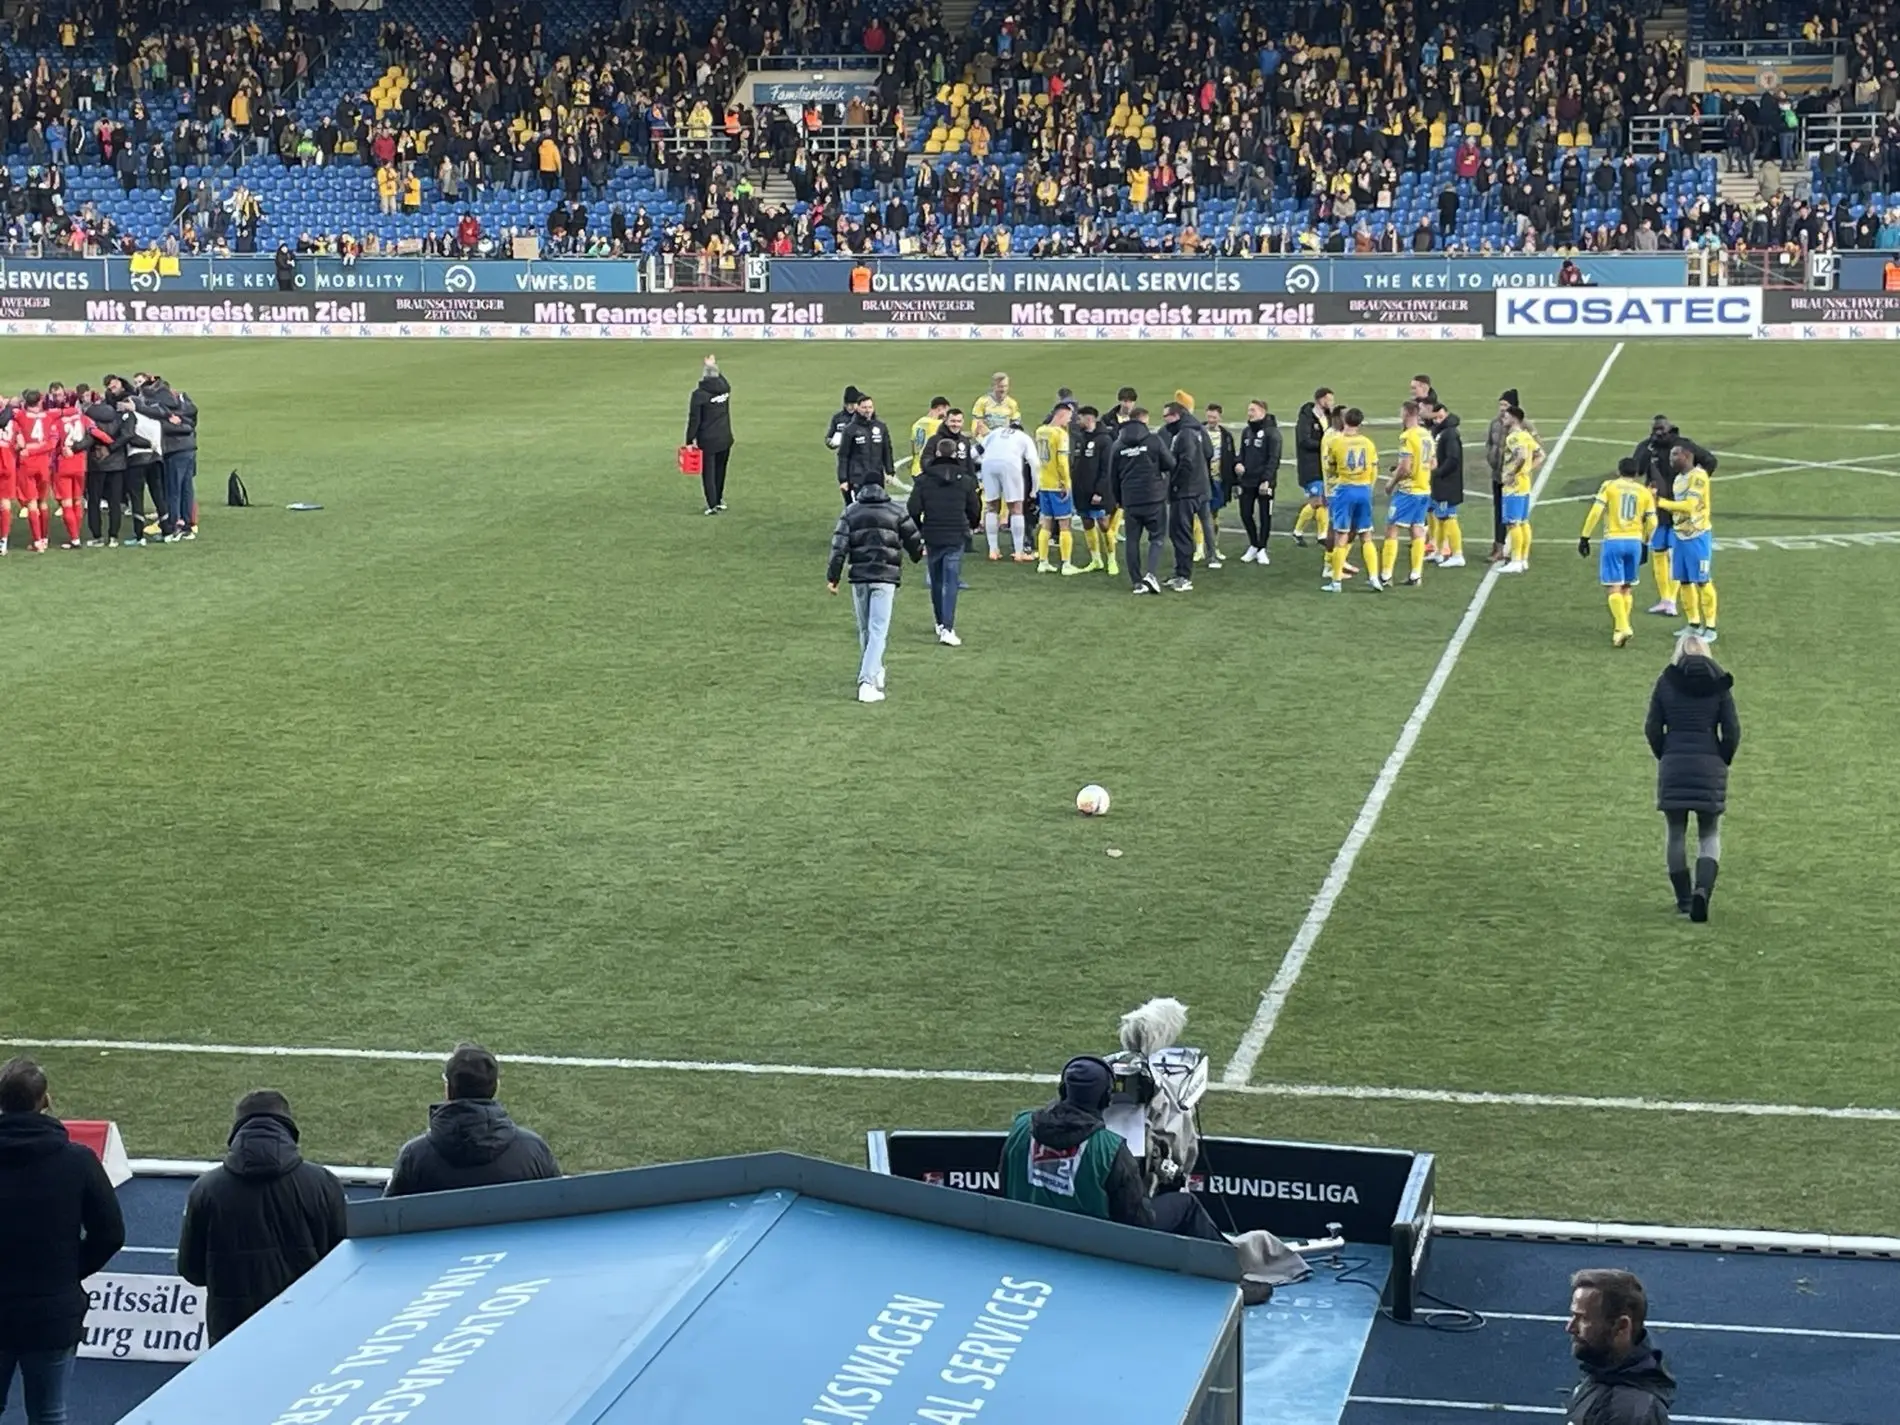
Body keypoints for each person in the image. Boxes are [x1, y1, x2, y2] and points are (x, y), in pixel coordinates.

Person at [0, 1057, 126, 1425]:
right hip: (52, 1312)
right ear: (47, 1100)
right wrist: (69, 1271)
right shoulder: (78, 1161)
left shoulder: (77, 1160)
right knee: (50, 1413)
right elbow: (111, 1233)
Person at [177, 1090, 347, 1344]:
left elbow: (192, 1271)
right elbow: (344, 1263)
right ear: (288, 1128)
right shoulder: (322, 1182)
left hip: (232, 1333)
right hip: (307, 1327)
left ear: (237, 1130)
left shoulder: (206, 1189)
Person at [999, 1056, 1226, 1242]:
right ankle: (1231, 1276)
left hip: (1028, 1233)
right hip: (1095, 1246)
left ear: (1062, 1090)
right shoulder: (1109, 1149)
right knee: (1186, 1206)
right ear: (1105, 1100)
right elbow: (1138, 1222)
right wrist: (1161, 1185)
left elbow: (1005, 1184)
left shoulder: (1021, 1125)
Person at [385, 1044, 561, 1197]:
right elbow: (560, 1208)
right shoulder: (534, 1151)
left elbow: (387, 1219)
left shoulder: (414, 1156)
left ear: (448, 1089)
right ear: (496, 1087)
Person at [1645, 635, 1739, 922]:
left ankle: (1684, 899)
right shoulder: (1719, 685)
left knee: (1676, 832)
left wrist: (1666, 754)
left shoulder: (1666, 682)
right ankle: (1703, 891)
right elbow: (1732, 730)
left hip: (1674, 763)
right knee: (1709, 833)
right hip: (1709, 764)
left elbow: (1652, 727)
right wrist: (1722, 757)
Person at [827, 479, 924, 702]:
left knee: (865, 629)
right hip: (885, 577)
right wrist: (917, 554)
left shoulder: (851, 511)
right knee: (878, 630)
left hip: (859, 577)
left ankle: (874, 669)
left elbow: (838, 546)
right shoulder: (895, 511)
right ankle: (867, 681)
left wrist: (833, 577)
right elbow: (913, 539)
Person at [1565, 1268, 1676, 1423]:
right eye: (1573, 1316)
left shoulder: (1631, 1413)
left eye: (1583, 1318)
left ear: (1621, 1326)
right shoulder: (1601, 1372)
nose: (1570, 1328)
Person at [1633, 418, 1717, 619]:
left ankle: (1674, 600)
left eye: (1661, 429)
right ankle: (1666, 599)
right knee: (1658, 553)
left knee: (1674, 554)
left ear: (1670, 429)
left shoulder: (1683, 445)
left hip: (1681, 513)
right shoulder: (1647, 446)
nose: (1658, 433)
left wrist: (1698, 484)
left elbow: (1710, 461)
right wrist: (1648, 449)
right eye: (1654, 430)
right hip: (1658, 511)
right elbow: (1637, 469)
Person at [908, 437, 982, 646]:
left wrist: (920, 528)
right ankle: (948, 627)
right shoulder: (965, 480)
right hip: (955, 534)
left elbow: (913, 509)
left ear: (938, 454)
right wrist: (971, 524)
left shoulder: (924, 479)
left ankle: (940, 622)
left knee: (936, 580)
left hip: (932, 534)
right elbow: (974, 508)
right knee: (951, 581)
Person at [1579, 458, 1658, 647]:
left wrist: (1585, 536)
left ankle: (1624, 626)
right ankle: (1618, 631)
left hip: (1614, 540)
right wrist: (1645, 542)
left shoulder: (1610, 486)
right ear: (1637, 473)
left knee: (1613, 586)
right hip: (1635, 542)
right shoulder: (1644, 492)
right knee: (1627, 586)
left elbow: (1596, 512)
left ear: (1618, 470)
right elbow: (1653, 521)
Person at [1656, 443, 1718, 642]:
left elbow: (1690, 506)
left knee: (1702, 581)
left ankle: (1710, 627)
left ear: (1687, 456)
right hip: (1680, 535)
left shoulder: (1698, 477)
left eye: (1675, 455)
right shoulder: (1678, 479)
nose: (1671, 459)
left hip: (1697, 535)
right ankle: (1693, 623)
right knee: (1684, 581)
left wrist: (1660, 502)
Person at [1111, 406, 1175, 595]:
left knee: (1132, 540)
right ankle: (1151, 574)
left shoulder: (1118, 445)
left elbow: (1112, 476)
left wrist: (1119, 500)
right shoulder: (1154, 440)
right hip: (1154, 497)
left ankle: (1137, 582)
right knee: (1156, 537)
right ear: (1144, 421)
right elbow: (1170, 463)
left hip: (1130, 499)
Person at [1323, 408, 1382, 593]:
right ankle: (1374, 577)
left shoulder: (1336, 441)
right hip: (1364, 489)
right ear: (1360, 423)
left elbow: (1330, 467)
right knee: (1366, 535)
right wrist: (1368, 487)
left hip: (1344, 490)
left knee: (1342, 536)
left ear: (1344, 421)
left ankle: (1336, 582)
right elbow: (1374, 468)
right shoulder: (1368, 443)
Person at [1382, 399, 1435, 587]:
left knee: (1392, 529)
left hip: (1408, 491)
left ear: (1406, 414)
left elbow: (1405, 468)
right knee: (1417, 530)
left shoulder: (1407, 436)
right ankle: (1415, 575)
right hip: (1424, 489)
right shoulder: (1426, 435)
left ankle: (1386, 575)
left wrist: (1391, 483)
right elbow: (1433, 463)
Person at [1163, 396, 1212, 592]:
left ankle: (1184, 576)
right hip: (1200, 489)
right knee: (1182, 532)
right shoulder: (1198, 429)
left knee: (1180, 533)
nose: (1164, 420)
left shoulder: (1184, 434)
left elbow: (1186, 463)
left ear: (1176, 415)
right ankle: (1180, 572)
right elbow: (1208, 452)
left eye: (1166, 416)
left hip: (1186, 492)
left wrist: (1175, 485)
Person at [977, 416, 1039, 562]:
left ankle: (993, 550)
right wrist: (1034, 489)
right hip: (1011, 465)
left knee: (991, 506)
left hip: (988, 464)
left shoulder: (996, 432)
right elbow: (1034, 463)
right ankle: (1019, 552)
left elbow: (976, 451)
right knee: (1016, 507)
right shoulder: (1024, 437)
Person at [8, 390, 60, 553]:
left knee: (31, 503)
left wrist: (28, 450)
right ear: (40, 401)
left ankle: (37, 541)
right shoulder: (49, 416)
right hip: (44, 464)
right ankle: (44, 538)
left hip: (26, 464)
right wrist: (39, 449)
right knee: (43, 502)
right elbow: (52, 443)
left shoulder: (20, 416)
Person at [1033, 402, 1081, 575]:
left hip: (1044, 483)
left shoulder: (1040, 431)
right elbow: (1061, 462)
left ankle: (1043, 561)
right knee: (1064, 524)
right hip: (1057, 485)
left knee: (1046, 523)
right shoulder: (1060, 434)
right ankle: (1066, 564)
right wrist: (1066, 483)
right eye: (1069, 416)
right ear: (1061, 415)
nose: (1070, 420)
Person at [683, 354, 733, 515]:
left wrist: (689, 440)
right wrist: (713, 365)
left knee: (709, 473)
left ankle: (711, 505)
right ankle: (718, 500)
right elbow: (722, 380)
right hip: (725, 436)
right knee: (720, 470)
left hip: (708, 439)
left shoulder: (699, 395)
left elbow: (694, 419)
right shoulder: (724, 389)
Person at [1069, 406, 1117, 575]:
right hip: (1080, 490)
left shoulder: (1104, 440)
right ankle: (1095, 560)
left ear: (1089, 419)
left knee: (1104, 524)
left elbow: (1107, 469)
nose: (1077, 421)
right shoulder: (1079, 438)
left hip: (1098, 492)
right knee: (1087, 523)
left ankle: (1112, 560)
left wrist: (1100, 491)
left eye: (1080, 418)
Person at [1498, 405, 1544, 574]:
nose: (1503, 418)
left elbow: (1522, 456)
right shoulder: (1526, 435)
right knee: (1523, 521)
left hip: (1514, 486)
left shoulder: (1514, 437)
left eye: (1506, 416)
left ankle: (1516, 560)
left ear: (1514, 419)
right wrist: (1527, 470)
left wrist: (1513, 473)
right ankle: (1523, 559)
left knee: (1513, 522)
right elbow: (1541, 454)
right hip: (1524, 483)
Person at [1234, 399, 1280, 565]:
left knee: (1264, 516)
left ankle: (1262, 548)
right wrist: (1238, 463)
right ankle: (1254, 544)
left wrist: (1266, 480)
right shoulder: (1247, 431)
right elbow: (1242, 453)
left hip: (1264, 483)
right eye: (1249, 410)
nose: (1249, 413)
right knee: (1245, 514)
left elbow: (1274, 459)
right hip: (1247, 481)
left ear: (1262, 412)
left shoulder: (1272, 433)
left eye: (1252, 410)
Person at [81, 386, 129, 546]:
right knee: (115, 502)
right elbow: (124, 436)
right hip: (117, 463)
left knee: (94, 501)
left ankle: (97, 536)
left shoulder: (89, 418)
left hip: (97, 464)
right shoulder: (117, 417)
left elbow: (89, 438)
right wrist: (112, 448)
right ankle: (114, 537)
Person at [1425, 398, 1467, 568]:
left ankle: (1457, 554)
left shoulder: (1450, 434)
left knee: (1449, 516)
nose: (1437, 420)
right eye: (1435, 418)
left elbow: (1453, 458)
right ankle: (1439, 552)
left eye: (1440, 416)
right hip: (1441, 481)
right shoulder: (1440, 432)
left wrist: (1438, 473)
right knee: (1440, 517)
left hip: (1448, 483)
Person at [1291, 387, 1334, 547]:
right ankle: (1299, 532)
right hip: (1310, 466)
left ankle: (1320, 535)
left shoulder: (1328, 417)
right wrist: (1325, 445)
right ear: (1321, 400)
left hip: (1324, 466)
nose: (1331, 403)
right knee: (1318, 500)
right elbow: (1304, 441)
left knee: (1323, 500)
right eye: (1329, 400)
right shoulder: (1306, 419)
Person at [839, 392, 896, 499]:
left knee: (878, 506)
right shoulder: (850, 429)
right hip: (857, 478)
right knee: (858, 508)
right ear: (858, 408)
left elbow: (887, 450)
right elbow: (843, 456)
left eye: (870, 407)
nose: (867, 410)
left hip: (877, 476)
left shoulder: (881, 427)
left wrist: (889, 471)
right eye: (864, 407)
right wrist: (843, 480)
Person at [1198, 402, 1231, 569]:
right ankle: (1199, 548)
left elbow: (1230, 457)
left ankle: (1213, 547)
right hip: (1202, 481)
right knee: (1201, 514)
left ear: (1219, 417)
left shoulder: (1226, 435)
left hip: (1218, 480)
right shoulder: (1198, 432)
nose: (1211, 420)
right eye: (1209, 416)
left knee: (1214, 515)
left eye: (1214, 417)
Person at [1486, 389, 1514, 563]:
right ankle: (1498, 545)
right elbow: (1489, 443)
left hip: (1513, 478)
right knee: (1498, 511)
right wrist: (1491, 459)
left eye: (1505, 405)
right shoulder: (1495, 423)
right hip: (1497, 474)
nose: (1502, 408)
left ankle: (1515, 547)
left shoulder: (1523, 424)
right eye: (1501, 405)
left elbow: (1536, 447)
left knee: (1514, 514)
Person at [826, 385, 865, 506]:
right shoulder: (838, 418)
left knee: (861, 496)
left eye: (854, 404)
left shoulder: (862, 418)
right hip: (844, 462)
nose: (851, 407)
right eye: (849, 404)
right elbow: (829, 437)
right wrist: (831, 443)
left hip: (860, 462)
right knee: (847, 497)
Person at [910, 396, 950, 470]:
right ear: (940, 408)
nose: (946, 416)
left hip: (916, 468)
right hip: (927, 467)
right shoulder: (936, 424)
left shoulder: (917, 424)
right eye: (946, 412)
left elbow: (913, 446)